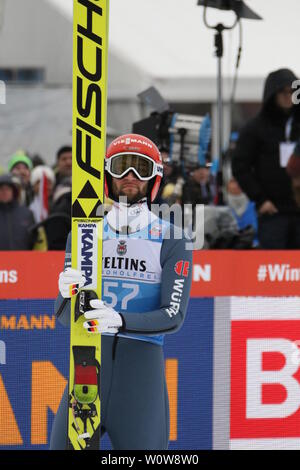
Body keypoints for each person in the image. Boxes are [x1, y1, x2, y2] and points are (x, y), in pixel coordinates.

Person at [50, 134, 192, 450]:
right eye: (122, 167)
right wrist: (65, 296)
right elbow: (63, 315)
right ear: (107, 175)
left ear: (154, 179)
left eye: (140, 168)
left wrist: (119, 320)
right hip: (86, 370)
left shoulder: (173, 237)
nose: (130, 177)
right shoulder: (86, 233)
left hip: (140, 380)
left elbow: (174, 315)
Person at [232, 68, 300, 249]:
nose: (288, 97)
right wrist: (260, 199)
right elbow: (240, 166)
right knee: (273, 270)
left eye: (292, 92)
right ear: (272, 94)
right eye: (283, 92)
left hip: (297, 208)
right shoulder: (255, 129)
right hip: (273, 213)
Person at [0, 174, 36, 250]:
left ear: (14, 192)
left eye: (7, 189)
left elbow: (35, 241)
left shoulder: (27, 214)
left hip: (23, 260)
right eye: (1, 189)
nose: (4, 192)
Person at [227, 178, 258, 247]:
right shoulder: (223, 209)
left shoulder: (255, 206)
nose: (236, 184)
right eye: (233, 181)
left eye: (238, 181)